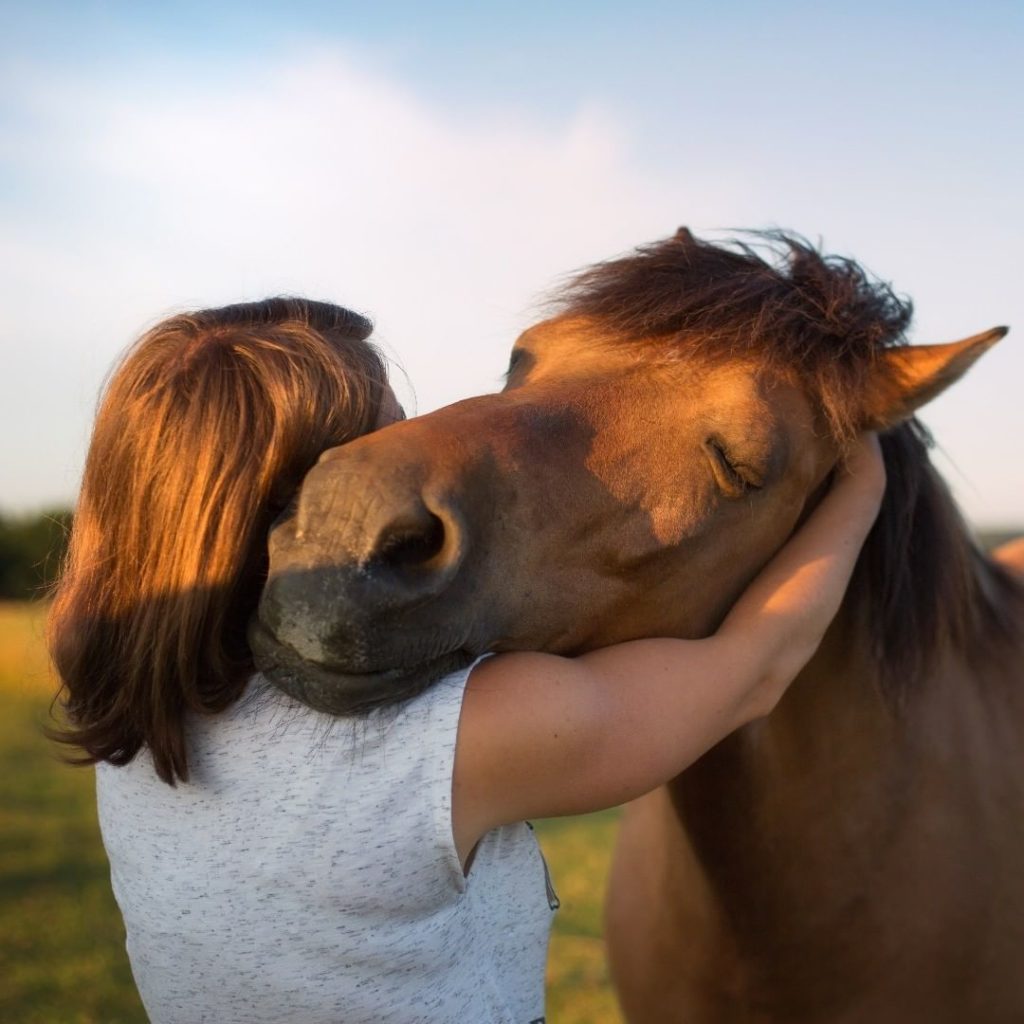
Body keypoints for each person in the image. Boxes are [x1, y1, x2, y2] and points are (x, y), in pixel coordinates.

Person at [48, 297, 885, 1024]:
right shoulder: (464, 741)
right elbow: (758, 666)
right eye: (376, 440)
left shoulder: (124, 717)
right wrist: (864, 475)